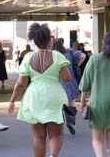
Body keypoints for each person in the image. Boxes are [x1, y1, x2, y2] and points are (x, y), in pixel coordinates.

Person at [8, 23, 71, 157]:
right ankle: (53, 155)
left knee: (38, 137)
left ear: (35, 41)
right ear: (49, 40)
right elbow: (66, 78)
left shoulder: (28, 57)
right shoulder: (57, 56)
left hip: (34, 97)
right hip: (54, 96)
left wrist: (12, 101)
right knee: (56, 134)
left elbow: (21, 83)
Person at [53, 39, 86, 134]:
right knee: (71, 102)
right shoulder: (69, 52)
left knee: (58, 103)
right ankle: (71, 121)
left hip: (57, 81)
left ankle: (58, 123)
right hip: (69, 79)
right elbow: (83, 55)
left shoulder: (53, 55)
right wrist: (76, 65)